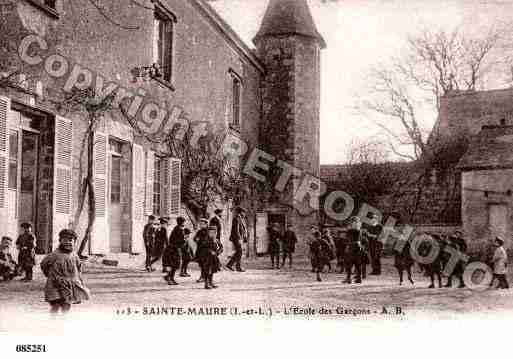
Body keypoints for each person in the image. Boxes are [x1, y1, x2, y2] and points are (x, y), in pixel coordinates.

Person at [40, 229, 90, 314]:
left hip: (69, 285)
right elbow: (44, 265)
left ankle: (64, 320)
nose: (67, 242)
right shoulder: (54, 255)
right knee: (55, 305)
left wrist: (79, 281)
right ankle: (53, 321)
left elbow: (78, 269)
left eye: (70, 240)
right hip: (55, 284)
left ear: (74, 242)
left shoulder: (74, 255)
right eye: (64, 240)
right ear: (60, 241)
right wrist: (50, 275)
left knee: (67, 304)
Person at [163, 217, 186, 285]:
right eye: (184, 222)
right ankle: (170, 279)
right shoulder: (179, 230)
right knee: (175, 265)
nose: (185, 223)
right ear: (182, 222)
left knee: (173, 264)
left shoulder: (176, 228)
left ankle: (168, 277)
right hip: (174, 249)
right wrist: (184, 240)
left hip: (172, 248)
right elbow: (179, 241)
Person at [226, 207, 247, 272]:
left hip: (239, 238)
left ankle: (231, 265)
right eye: (244, 212)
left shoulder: (240, 218)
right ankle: (236, 266)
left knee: (239, 252)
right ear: (241, 212)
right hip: (237, 238)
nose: (245, 214)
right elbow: (236, 230)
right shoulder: (237, 219)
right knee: (239, 252)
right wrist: (239, 239)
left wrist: (244, 237)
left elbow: (242, 229)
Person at [344, 217, 363, 284]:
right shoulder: (359, 230)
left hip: (352, 246)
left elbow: (348, 238)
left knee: (350, 262)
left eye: (353, 222)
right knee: (357, 263)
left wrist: (347, 246)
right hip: (358, 246)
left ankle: (349, 278)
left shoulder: (350, 230)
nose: (352, 223)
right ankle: (358, 278)